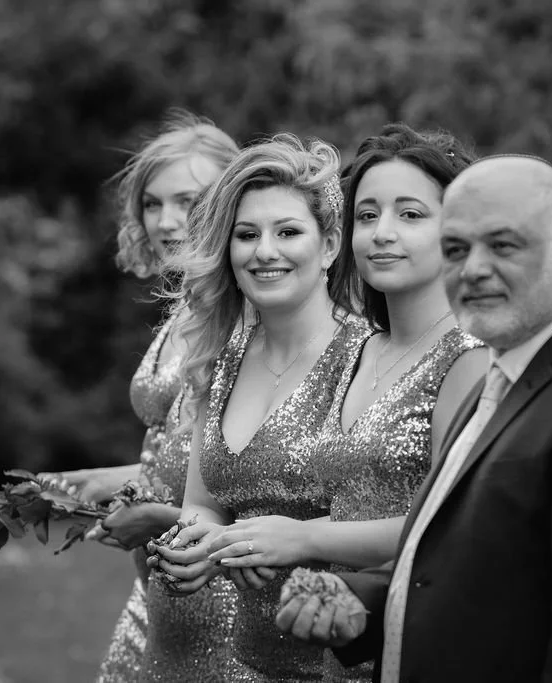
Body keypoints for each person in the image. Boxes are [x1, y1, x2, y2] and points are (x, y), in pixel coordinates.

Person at [276, 154, 552, 682]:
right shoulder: (503, 369)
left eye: (502, 245)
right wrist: (359, 600)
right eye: (456, 249)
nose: (474, 269)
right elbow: (461, 560)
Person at [202, 123, 487, 681]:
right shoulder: (364, 350)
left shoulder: (468, 355)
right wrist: (259, 543)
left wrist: (303, 537)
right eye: (368, 215)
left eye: (410, 215)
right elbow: (346, 500)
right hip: (332, 646)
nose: (383, 233)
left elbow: (457, 528)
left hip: (413, 641)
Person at [147, 133, 367, 681]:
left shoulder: (367, 356)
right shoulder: (223, 357)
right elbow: (203, 503)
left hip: (336, 662)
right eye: (247, 235)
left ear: (331, 245)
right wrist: (190, 546)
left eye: (288, 232)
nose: (264, 251)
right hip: (239, 662)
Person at [40, 111, 239, 682]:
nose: (165, 221)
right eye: (152, 204)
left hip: (215, 581)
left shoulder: (246, 315)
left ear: (232, 202)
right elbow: (177, 450)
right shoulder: (185, 309)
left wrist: (152, 513)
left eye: (188, 201)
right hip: (151, 585)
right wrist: (102, 481)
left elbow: (249, 471)